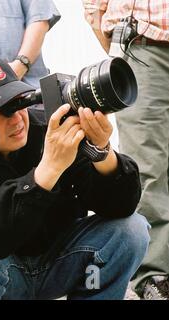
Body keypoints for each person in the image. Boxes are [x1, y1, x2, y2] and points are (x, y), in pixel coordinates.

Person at [0, 55, 150, 300]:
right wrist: (47, 170)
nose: (16, 119)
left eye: (18, 103)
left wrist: (102, 152)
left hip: (64, 262)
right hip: (3, 274)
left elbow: (119, 207)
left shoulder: (49, 127)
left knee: (132, 229)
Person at [83, 0, 169, 300]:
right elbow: (93, 8)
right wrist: (117, 51)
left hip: (139, 43)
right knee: (148, 163)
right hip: (142, 45)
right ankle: (154, 274)